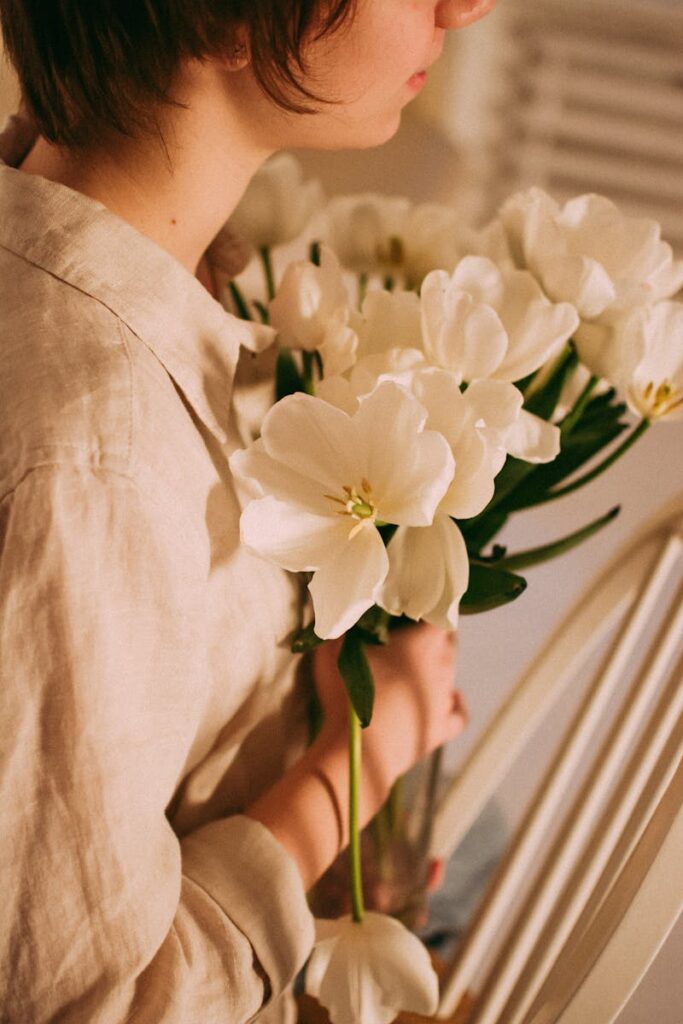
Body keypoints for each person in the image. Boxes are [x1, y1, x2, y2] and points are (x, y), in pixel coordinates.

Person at [0, 2, 495, 1021]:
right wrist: (358, 758)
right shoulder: (93, 458)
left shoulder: (119, 276)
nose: (463, 6)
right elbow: (93, 1006)